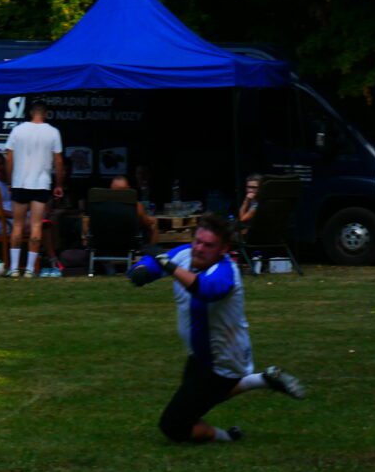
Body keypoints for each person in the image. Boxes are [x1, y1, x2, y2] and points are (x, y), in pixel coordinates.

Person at [128, 213, 305, 443]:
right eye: (197, 241)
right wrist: (141, 269)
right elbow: (154, 262)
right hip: (200, 354)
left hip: (223, 360)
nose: (199, 249)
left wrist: (167, 265)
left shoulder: (226, 271)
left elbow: (207, 290)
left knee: (173, 426)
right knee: (203, 398)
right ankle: (264, 379)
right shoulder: (185, 255)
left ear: (223, 249)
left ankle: (228, 437)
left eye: (208, 245)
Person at [5, 101, 64, 278]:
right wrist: (59, 184)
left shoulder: (17, 130)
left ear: (31, 113)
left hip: (20, 183)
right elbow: (59, 161)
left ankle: (14, 268)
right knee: (37, 225)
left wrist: (10, 181)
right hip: (41, 184)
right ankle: (30, 269)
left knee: (17, 225)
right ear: (46, 114)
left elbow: (9, 158)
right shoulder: (53, 132)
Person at [110, 175, 159, 244]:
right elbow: (147, 223)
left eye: (122, 191)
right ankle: (152, 248)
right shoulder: (136, 206)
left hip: (104, 244)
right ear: (128, 189)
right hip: (129, 244)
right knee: (154, 221)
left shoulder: (101, 204)